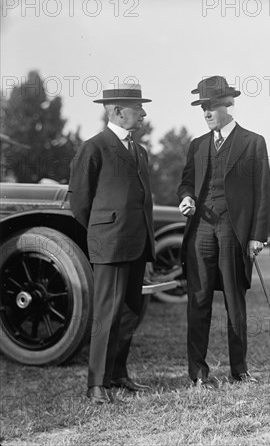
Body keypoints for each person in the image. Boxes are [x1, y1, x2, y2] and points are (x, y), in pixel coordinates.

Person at [177, 75, 270, 389]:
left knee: (235, 301)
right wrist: (187, 197)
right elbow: (186, 182)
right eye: (202, 108)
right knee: (198, 301)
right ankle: (198, 374)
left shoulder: (252, 142)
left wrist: (257, 235)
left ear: (227, 106)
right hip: (201, 230)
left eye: (211, 107)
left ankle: (239, 370)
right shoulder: (197, 145)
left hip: (233, 231)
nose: (205, 113)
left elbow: (263, 192)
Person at [68, 83, 155, 404]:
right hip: (111, 245)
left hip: (138, 243)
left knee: (131, 312)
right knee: (107, 313)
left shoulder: (140, 151)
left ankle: (118, 374)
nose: (144, 113)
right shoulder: (94, 147)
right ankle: (96, 384)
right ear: (117, 111)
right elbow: (80, 203)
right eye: (138, 107)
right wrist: (104, 233)